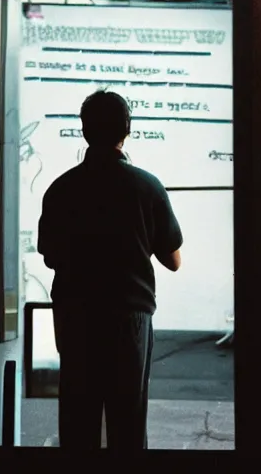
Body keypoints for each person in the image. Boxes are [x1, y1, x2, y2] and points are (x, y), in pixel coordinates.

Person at [37, 90, 183, 452]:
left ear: (84, 131)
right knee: (127, 421)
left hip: (76, 316)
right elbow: (173, 260)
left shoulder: (61, 189)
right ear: (127, 130)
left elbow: (49, 255)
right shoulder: (146, 186)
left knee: (78, 416)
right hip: (128, 318)